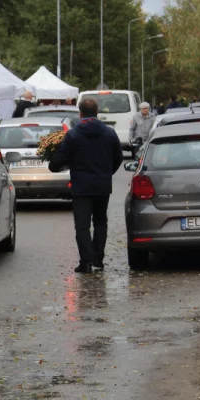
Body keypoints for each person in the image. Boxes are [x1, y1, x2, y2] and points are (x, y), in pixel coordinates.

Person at [49, 97, 123, 273]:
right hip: (102, 186)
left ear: (80, 113)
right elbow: (118, 158)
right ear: (97, 113)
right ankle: (98, 258)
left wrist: (54, 165)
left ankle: (86, 261)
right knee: (100, 221)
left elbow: (60, 159)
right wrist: (106, 173)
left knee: (82, 225)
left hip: (81, 187)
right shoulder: (109, 133)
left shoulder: (73, 134)